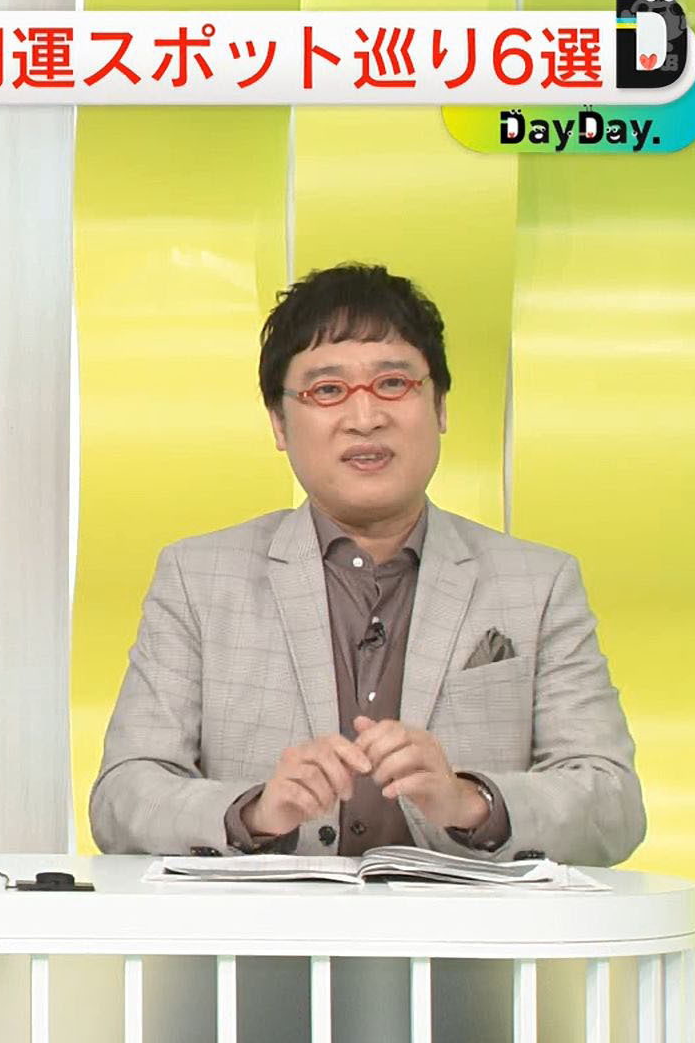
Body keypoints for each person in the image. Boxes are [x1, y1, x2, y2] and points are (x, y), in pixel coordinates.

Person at [90, 263, 643, 864]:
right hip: (264, 924)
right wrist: (251, 813)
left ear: (440, 407)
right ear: (279, 423)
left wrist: (472, 801)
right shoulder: (197, 579)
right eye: (328, 391)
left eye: (393, 384)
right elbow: (122, 797)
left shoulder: (538, 584)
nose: (365, 418)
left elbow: (614, 804)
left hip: (464, 925)